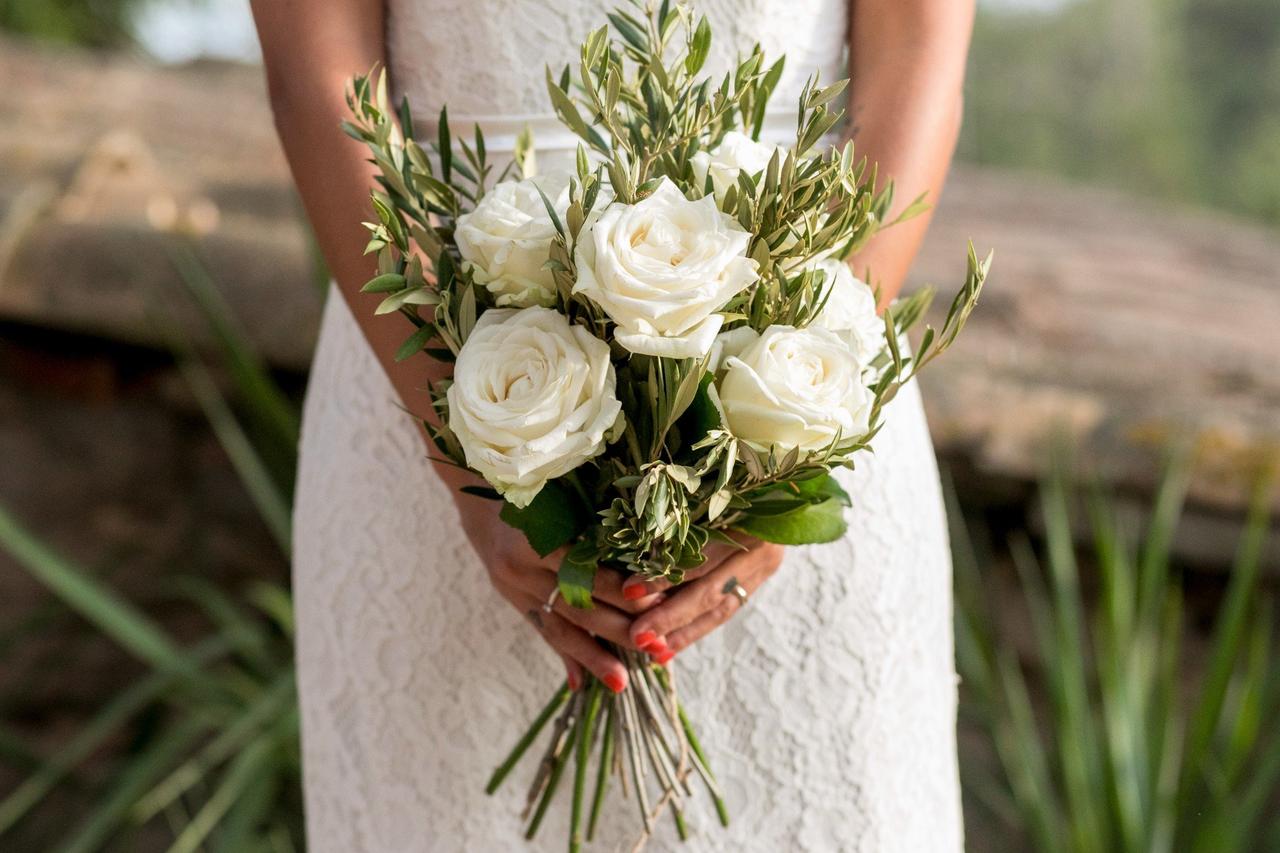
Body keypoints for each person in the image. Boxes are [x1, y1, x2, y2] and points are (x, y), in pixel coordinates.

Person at [250, 0, 975, 849]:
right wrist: (473, 448)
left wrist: (782, 434)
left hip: (802, 351)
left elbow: (917, 58)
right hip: (422, 367)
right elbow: (319, 76)